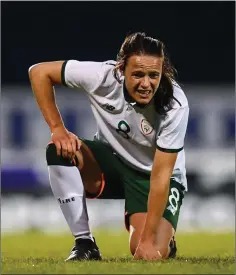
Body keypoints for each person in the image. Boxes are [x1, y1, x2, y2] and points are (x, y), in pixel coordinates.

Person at [28, 32, 189, 261]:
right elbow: (39, 72)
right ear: (121, 70)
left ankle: (166, 241)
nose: (146, 84)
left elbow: (161, 174)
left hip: (154, 176)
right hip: (111, 164)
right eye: (138, 74)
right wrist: (58, 129)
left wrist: (146, 241)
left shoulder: (174, 104)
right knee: (59, 150)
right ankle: (84, 243)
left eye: (154, 75)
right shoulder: (102, 76)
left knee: (147, 252)